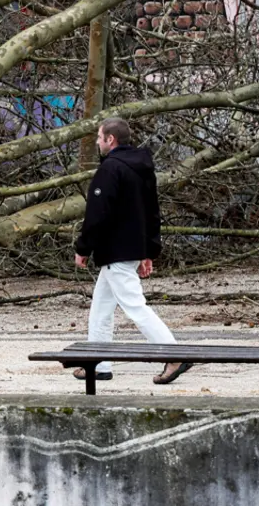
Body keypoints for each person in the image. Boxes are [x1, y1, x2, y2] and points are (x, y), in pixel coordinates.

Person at [74, 117, 191, 385]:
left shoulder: (110, 169)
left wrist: (83, 248)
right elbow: (151, 212)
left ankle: (175, 354)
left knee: (135, 306)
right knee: (101, 308)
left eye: (99, 137)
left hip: (115, 250)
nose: (97, 141)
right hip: (129, 249)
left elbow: (97, 213)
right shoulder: (142, 168)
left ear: (110, 140)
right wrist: (147, 250)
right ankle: (98, 363)